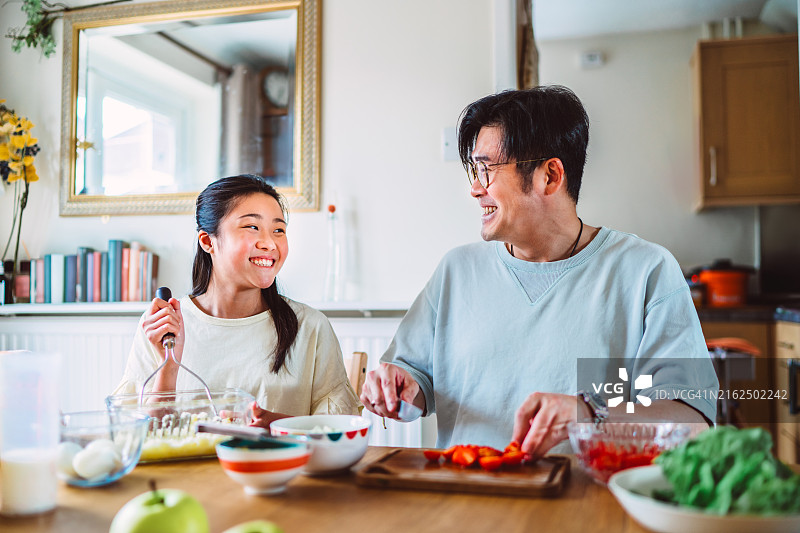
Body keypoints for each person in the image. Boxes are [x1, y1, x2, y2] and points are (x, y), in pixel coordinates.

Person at [361, 85, 718, 458]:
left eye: (487, 170)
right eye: (475, 171)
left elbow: (692, 420)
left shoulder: (646, 271)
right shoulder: (456, 271)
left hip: (586, 491)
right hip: (466, 486)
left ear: (549, 176)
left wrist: (589, 413)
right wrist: (399, 389)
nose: (475, 189)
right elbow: (415, 382)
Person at [113, 175, 360, 426]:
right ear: (208, 241)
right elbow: (137, 433)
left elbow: (340, 432)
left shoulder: (311, 327)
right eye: (252, 227)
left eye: (278, 230)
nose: (269, 243)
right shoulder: (164, 324)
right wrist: (169, 365)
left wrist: (274, 426)